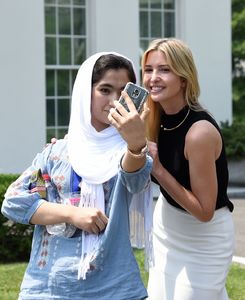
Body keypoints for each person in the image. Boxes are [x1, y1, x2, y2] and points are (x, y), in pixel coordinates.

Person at [1, 52, 153, 300]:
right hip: (50, 287)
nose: (114, 100)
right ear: (85, 92)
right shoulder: (55, 154)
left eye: (122, 92)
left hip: (115, 289)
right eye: (105, 89)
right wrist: (73, 214)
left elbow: (135, 179)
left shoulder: (132, 152)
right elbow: (15, 202)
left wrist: (136, 145)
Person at [141, 38, 234, 300]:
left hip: (205, 238)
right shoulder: (152, 117)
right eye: (149, 70)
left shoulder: (199, 132)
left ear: (184, 78)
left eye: (165, 69)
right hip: (167, 226)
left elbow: (204, 212)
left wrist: (157, 169)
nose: (153, 78)